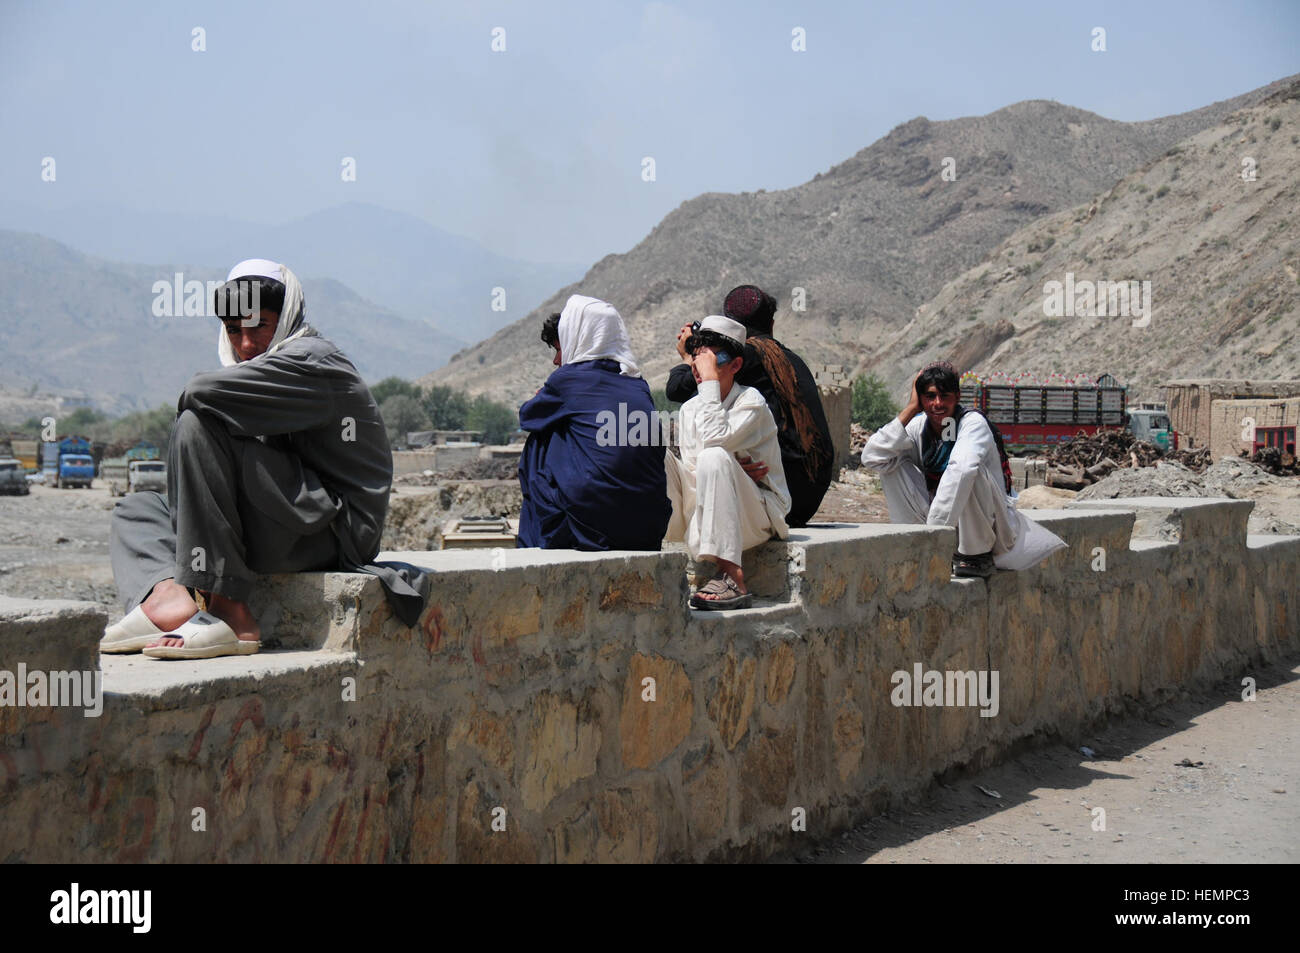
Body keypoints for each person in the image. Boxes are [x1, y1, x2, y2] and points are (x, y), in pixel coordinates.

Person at [100, 259, 422, 660]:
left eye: (259, 327)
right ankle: (169, 594)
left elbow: (197, 391)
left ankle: (230, 612)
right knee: (138, 509)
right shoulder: (257, 369)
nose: (247, 344)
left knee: (195, 426)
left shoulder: (312, 361)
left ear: (285, 319)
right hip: (279, 520)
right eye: (235, 330)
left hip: (331, 532)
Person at [860, 361, 1066, 577]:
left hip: (986, 529)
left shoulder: (973, 423)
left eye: (944, 396)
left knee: (969, 470)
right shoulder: (919, 426)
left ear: (957, 397)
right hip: (943, 527)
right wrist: (911, 409)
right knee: (893, 464)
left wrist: (935, 534)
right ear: (920, 399)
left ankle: (974, 555)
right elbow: (872, 457)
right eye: (930, 397)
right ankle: (914, 540)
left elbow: (961, 470)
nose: (937, 404)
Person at [665, 285, 834, 528]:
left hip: (777, 499)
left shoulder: (743, 357)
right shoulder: (792, 359)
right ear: (772, 325)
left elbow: (678, 390)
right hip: (808, 495)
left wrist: (691, 357)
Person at [517, 294, 671, 551]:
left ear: (577, 337)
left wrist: (543, 399)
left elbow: (527, 417)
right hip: (649, 527)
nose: (557, 360)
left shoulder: (567, 380)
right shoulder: (638, 384)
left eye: (559, 348)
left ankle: (538, 543)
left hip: (599, 528)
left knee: (540, 440)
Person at [665, 315, 790, 610]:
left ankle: (733, 577)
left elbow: (711, 442)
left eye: (712, 359)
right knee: (654, 456)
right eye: (697, 357)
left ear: (735, 365)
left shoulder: (751, 402)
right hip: (706, 509)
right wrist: (730, 466)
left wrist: (724, 463)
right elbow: (697, 470)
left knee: (714, 455)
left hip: (756, 516)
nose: (700, 366)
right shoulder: (690, 409)